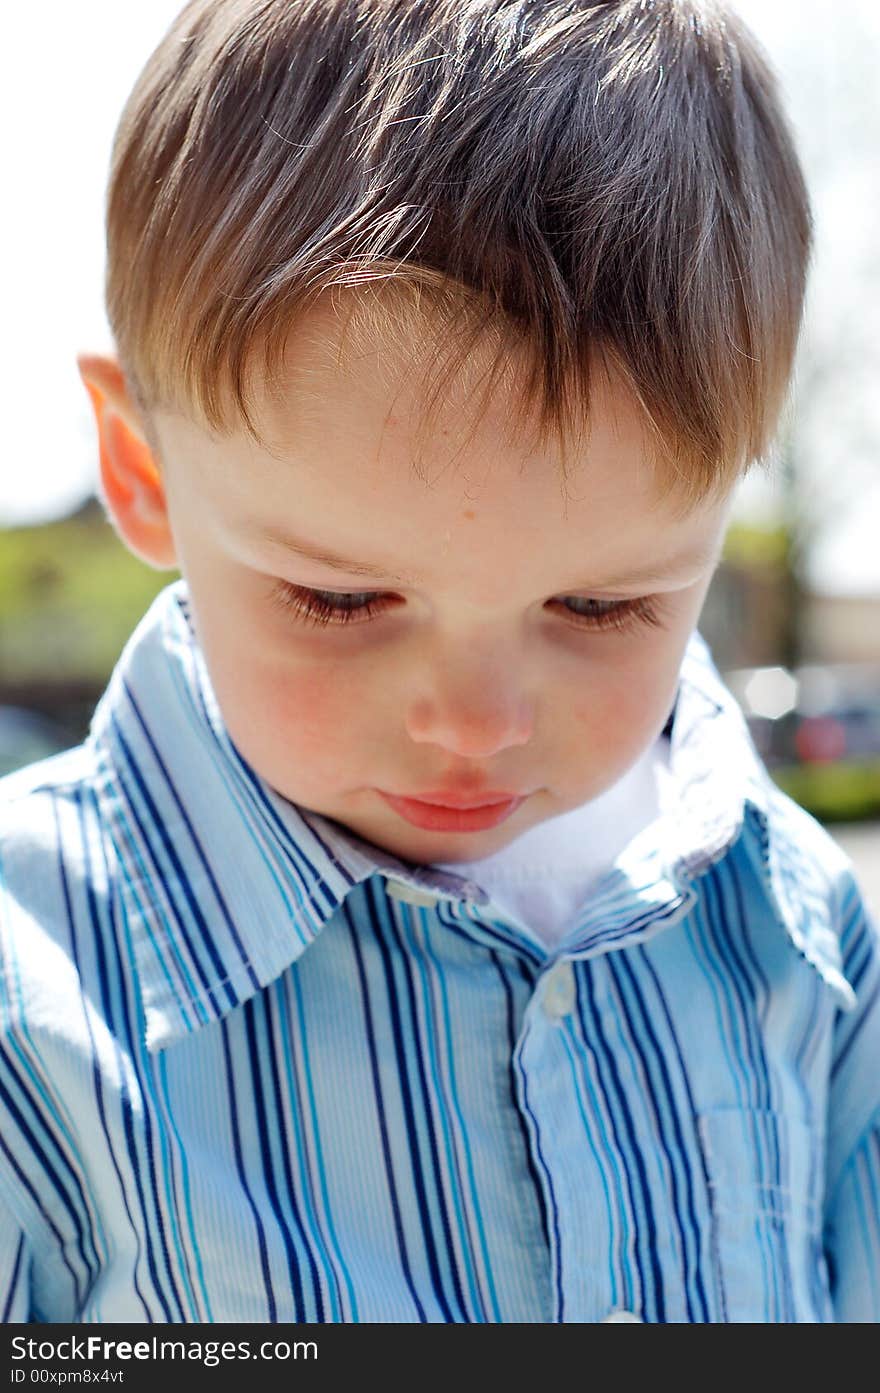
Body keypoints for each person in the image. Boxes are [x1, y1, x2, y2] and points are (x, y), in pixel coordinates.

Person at [1, 0, 877, 1325]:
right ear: (142, 470)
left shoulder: (803, 932)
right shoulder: (36, 996)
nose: (477, 722)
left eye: (599, 604)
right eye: (341, 598)